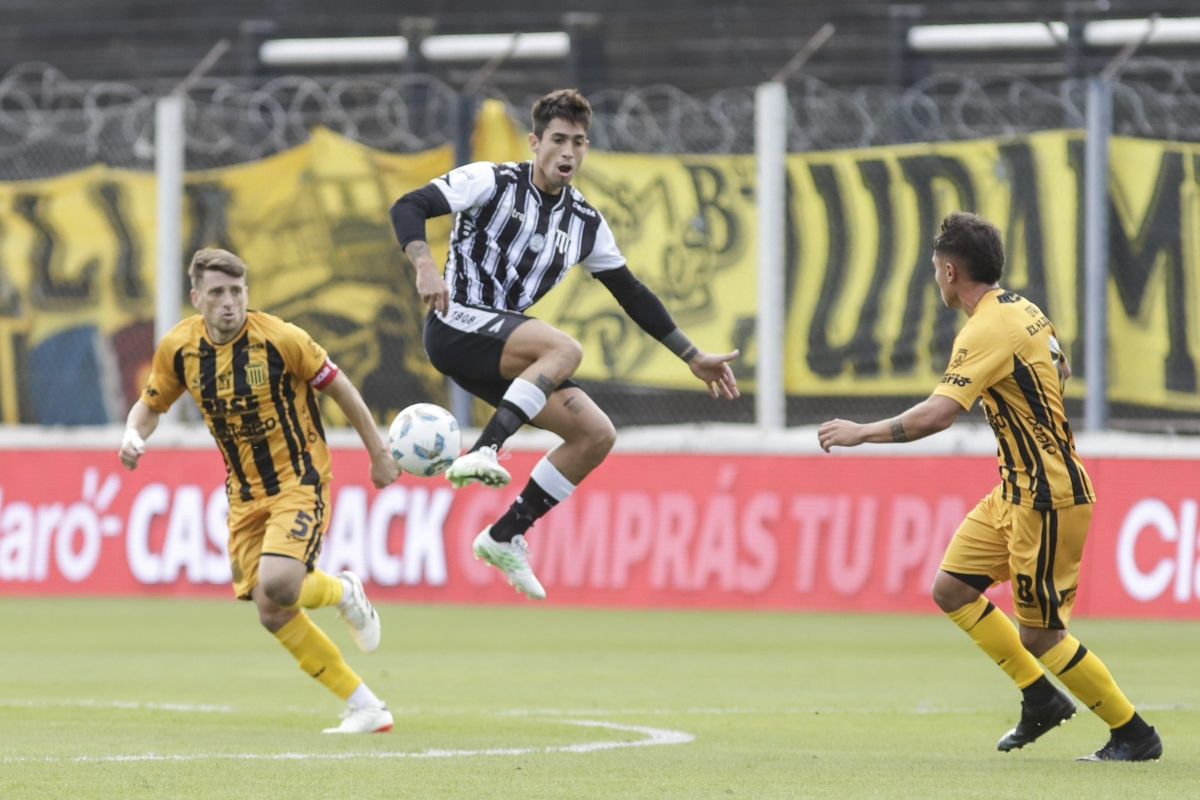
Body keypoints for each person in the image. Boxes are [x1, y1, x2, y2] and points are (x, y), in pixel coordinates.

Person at [817, 212, 1162, 763]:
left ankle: (1134, 734)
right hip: (1014, 491)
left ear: (951, 272)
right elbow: (1063, 370)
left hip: (1047, 497)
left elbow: (937, 415)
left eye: (936, 268)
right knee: (951, 589)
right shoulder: (1026, 310)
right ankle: (1040, 699)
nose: (936, 277)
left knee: (1041, 636)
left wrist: (862, 432)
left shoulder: (984, 330)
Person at [390, 88, 739, 601]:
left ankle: (505, 535)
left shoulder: (585, 224)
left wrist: (692, 355)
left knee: (595, 435)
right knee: (564, 348)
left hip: (500, 350)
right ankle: (485, 449)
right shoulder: (490, 180)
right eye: (557, 139)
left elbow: (632, 293)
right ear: (535, 142)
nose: (568, 151)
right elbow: (409, 205)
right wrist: (424, 264)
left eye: (578, 142)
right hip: (454, 324)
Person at [118, 247, 401, 734]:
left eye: (236, 291)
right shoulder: (180, 349)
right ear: (197, 298)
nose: (229, 302)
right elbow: (151, 404)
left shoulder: (282, 339)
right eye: (217, 293)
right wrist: (131, 434)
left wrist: (378, 453)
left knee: (281, 583)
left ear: (247, 291)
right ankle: (366, 706)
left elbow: (341, 388)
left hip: (299, 479)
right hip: (244, 495)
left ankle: (342, 590)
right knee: (272, 611)